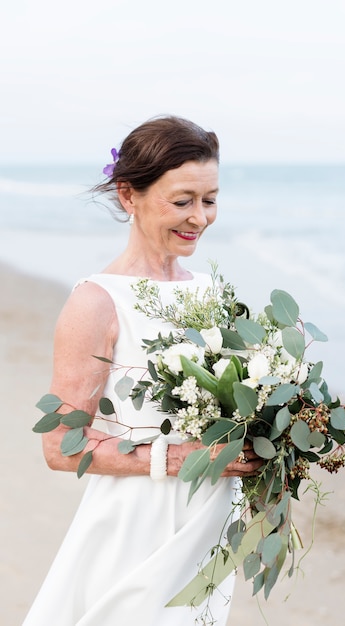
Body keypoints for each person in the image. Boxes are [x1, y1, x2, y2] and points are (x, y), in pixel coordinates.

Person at [24, 115, 262, 626]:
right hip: (135, 525)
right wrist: (180, 459)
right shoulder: (96, 301)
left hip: (208, 523)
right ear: (129, 196)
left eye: (210, 199)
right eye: (182, 201)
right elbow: (60, 447)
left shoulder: (210, 291)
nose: (199, 217)